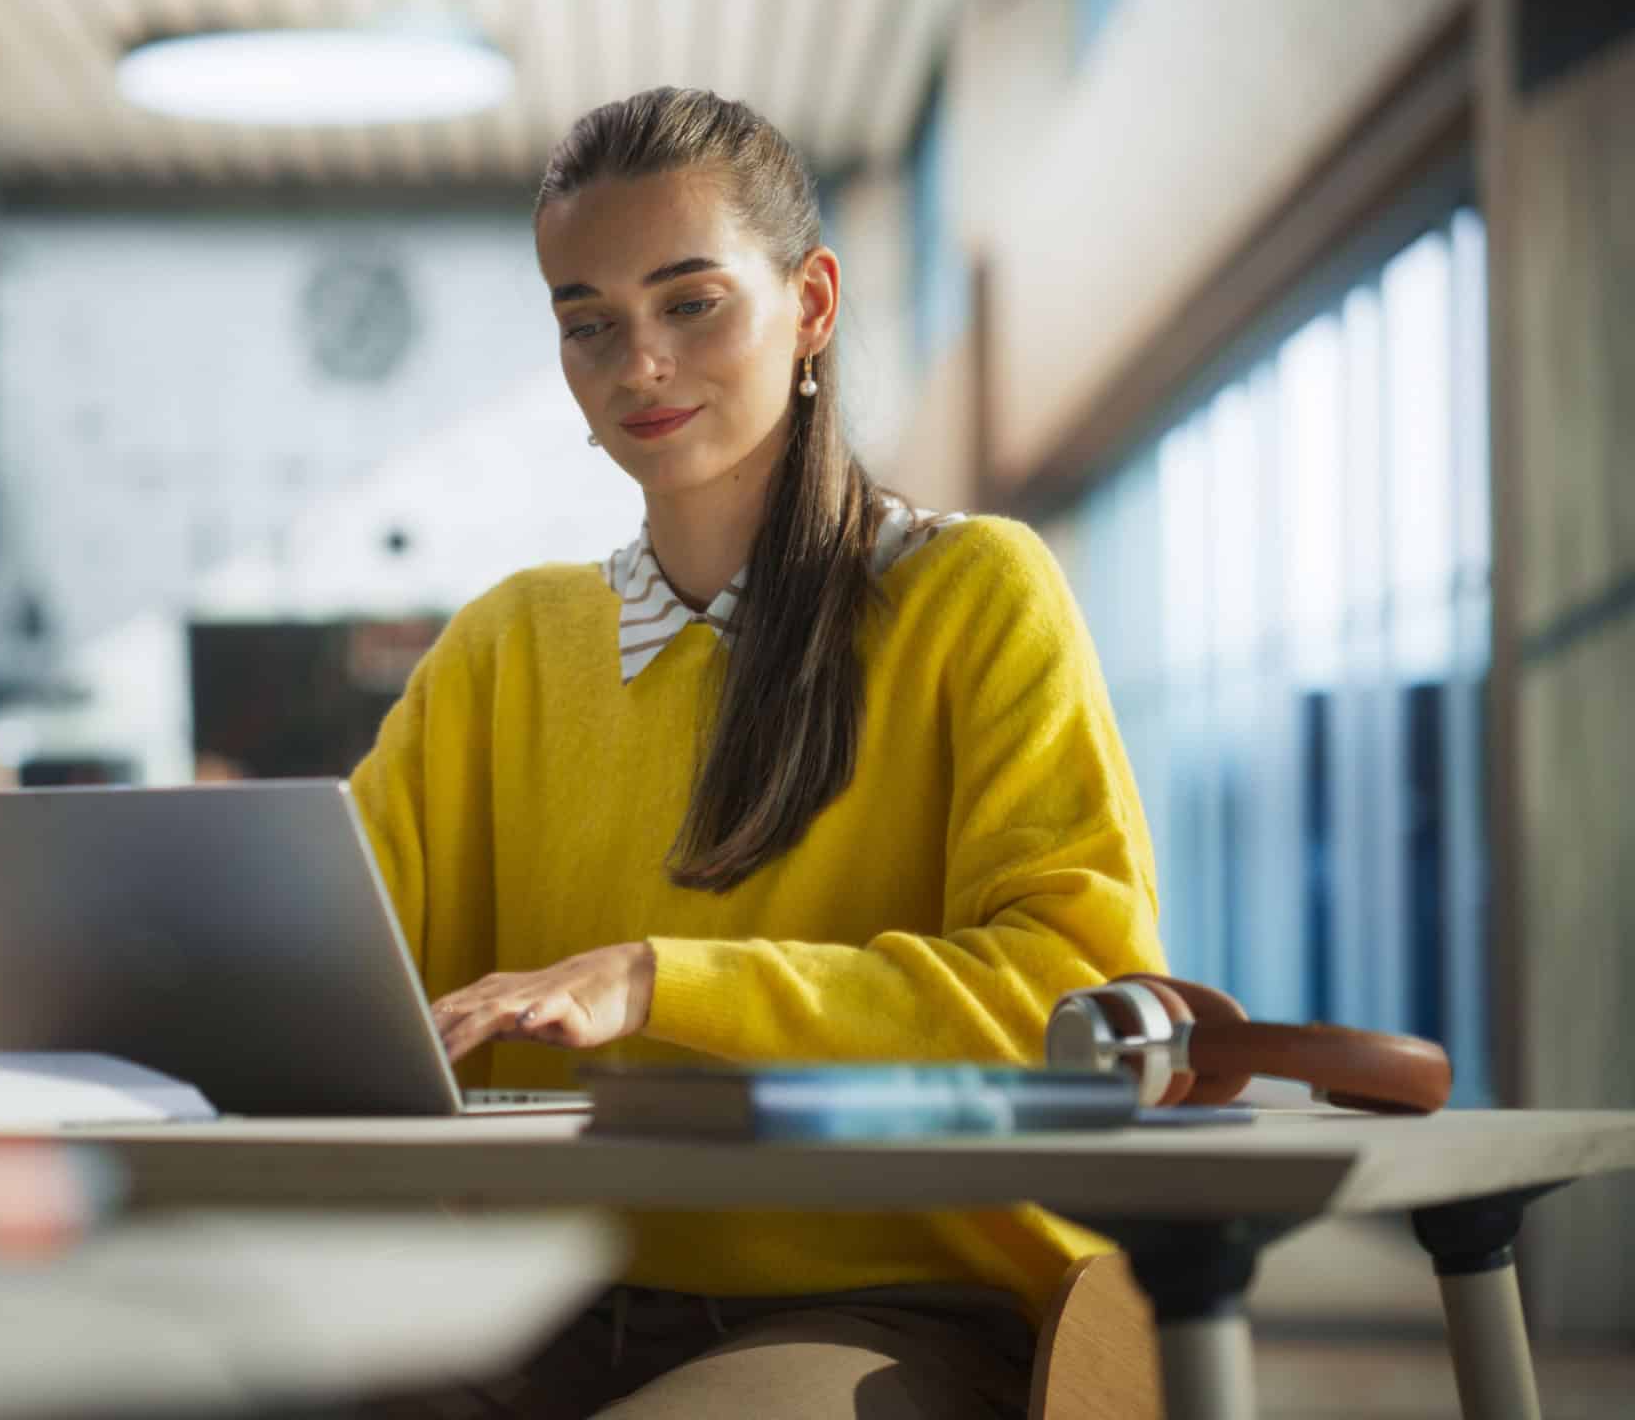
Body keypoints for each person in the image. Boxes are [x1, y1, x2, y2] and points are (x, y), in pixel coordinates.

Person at [349, 88, 1164, 1419]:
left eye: (691, 302)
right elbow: (343, 973)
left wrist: (665, 983)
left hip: (899, 1304)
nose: (637, 365)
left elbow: (1071, 1001)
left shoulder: (973, 593)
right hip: (530, 1297)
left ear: (815, 307)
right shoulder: (503, 649)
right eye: (587, 322)